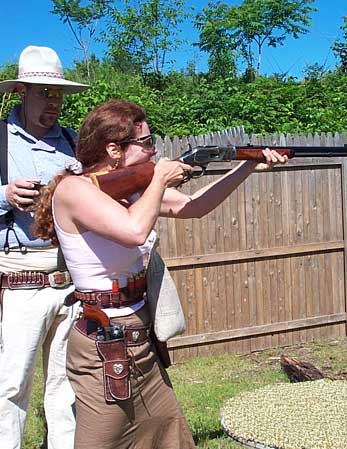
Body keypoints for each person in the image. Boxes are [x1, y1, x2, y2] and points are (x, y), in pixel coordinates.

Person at [33, 99, 288, 449]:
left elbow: (194, 206)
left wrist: (247, 165)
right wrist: (161, 178)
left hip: (140, 337)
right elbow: (134, 231)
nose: (154, 150)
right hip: (102, 345)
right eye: (147, 142)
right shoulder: (74, 190)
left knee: (170, 434)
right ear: (113, 149)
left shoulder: (135, 190)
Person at [0, 45, 89, 449]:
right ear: (21, 91)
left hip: (69, 277)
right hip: (18, 279)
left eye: (57, 94)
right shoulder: (0, 139)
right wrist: (4, 194)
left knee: (65, 383)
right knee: (12, 385)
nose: (53, 103)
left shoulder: (72, 142)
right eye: (43, 93)